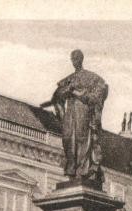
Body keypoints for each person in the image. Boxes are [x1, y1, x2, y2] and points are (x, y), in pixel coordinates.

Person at [47, 50, 108, 187]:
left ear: (81, 59)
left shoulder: (92, 78)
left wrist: (76, 92)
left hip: (83, 111)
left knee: (82, 139)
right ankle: (72, 170)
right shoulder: (67, 79)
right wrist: (62, 114)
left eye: (76, 58)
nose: (74, 61)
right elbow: (56, 97)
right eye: (72, 59)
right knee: (68, 139)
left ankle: (82, 171)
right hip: (70, 113)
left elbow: (97, 96)